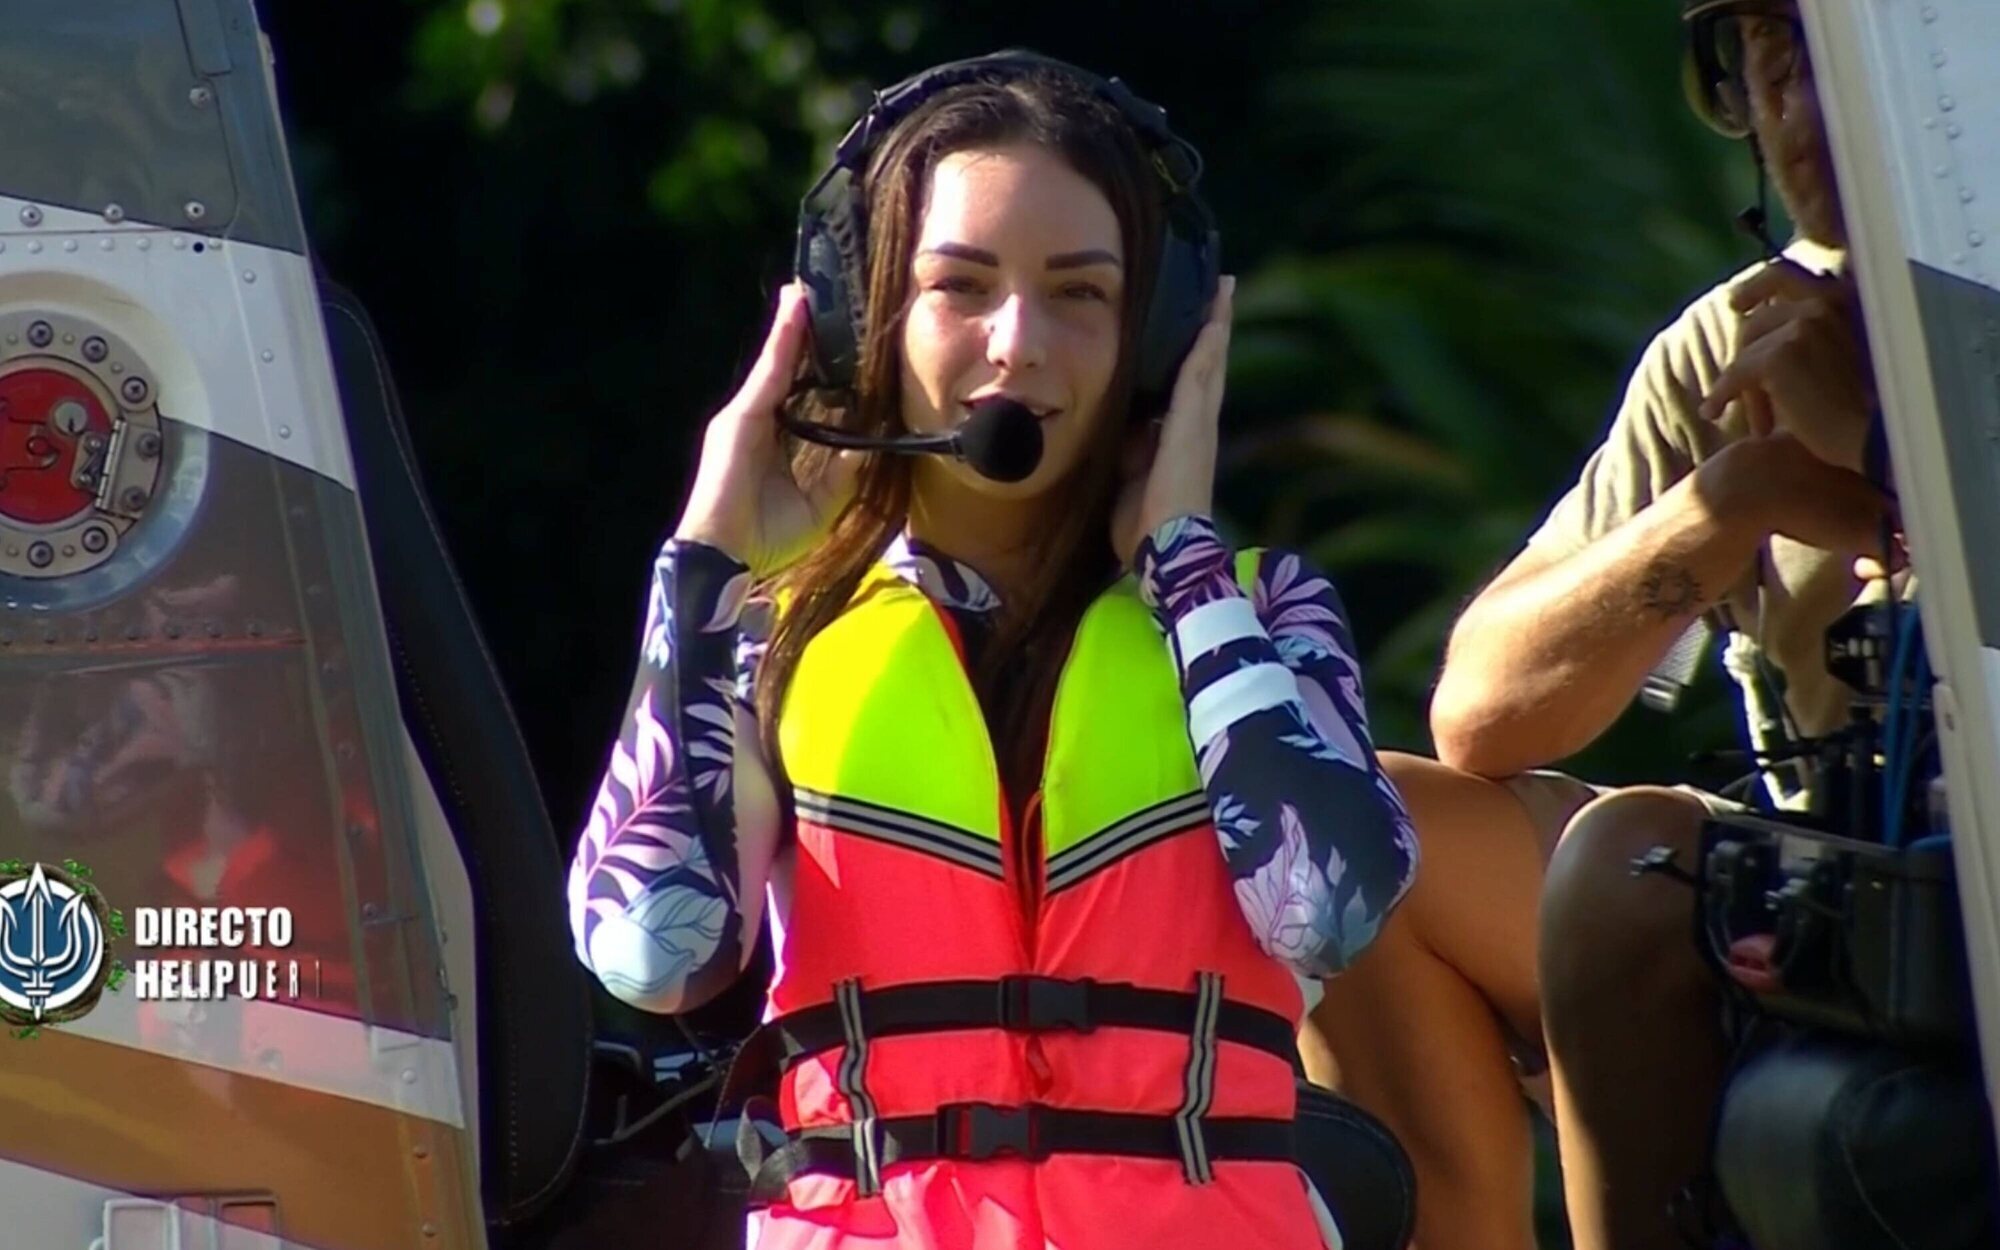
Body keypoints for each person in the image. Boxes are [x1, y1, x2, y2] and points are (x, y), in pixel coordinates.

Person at [565, 51, 1419, 1250]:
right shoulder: (766, 631)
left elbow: (1323, 910)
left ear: (1156, 335)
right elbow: (648, 948)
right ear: (870, 314)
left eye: (1080, 294)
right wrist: (703, 566)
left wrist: (1182, 563)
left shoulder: (1262, 612)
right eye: (960, 285)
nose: (1016, 344)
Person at [1295, 4, 1899, 1249]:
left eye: (1824, 49)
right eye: (1759, 56)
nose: (1792, 103)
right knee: (1359, 838)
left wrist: (1871, 455)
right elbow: (1484, 715)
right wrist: (1722, 507)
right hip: (1826, 886)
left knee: (1630, 858)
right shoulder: (1743, 342)